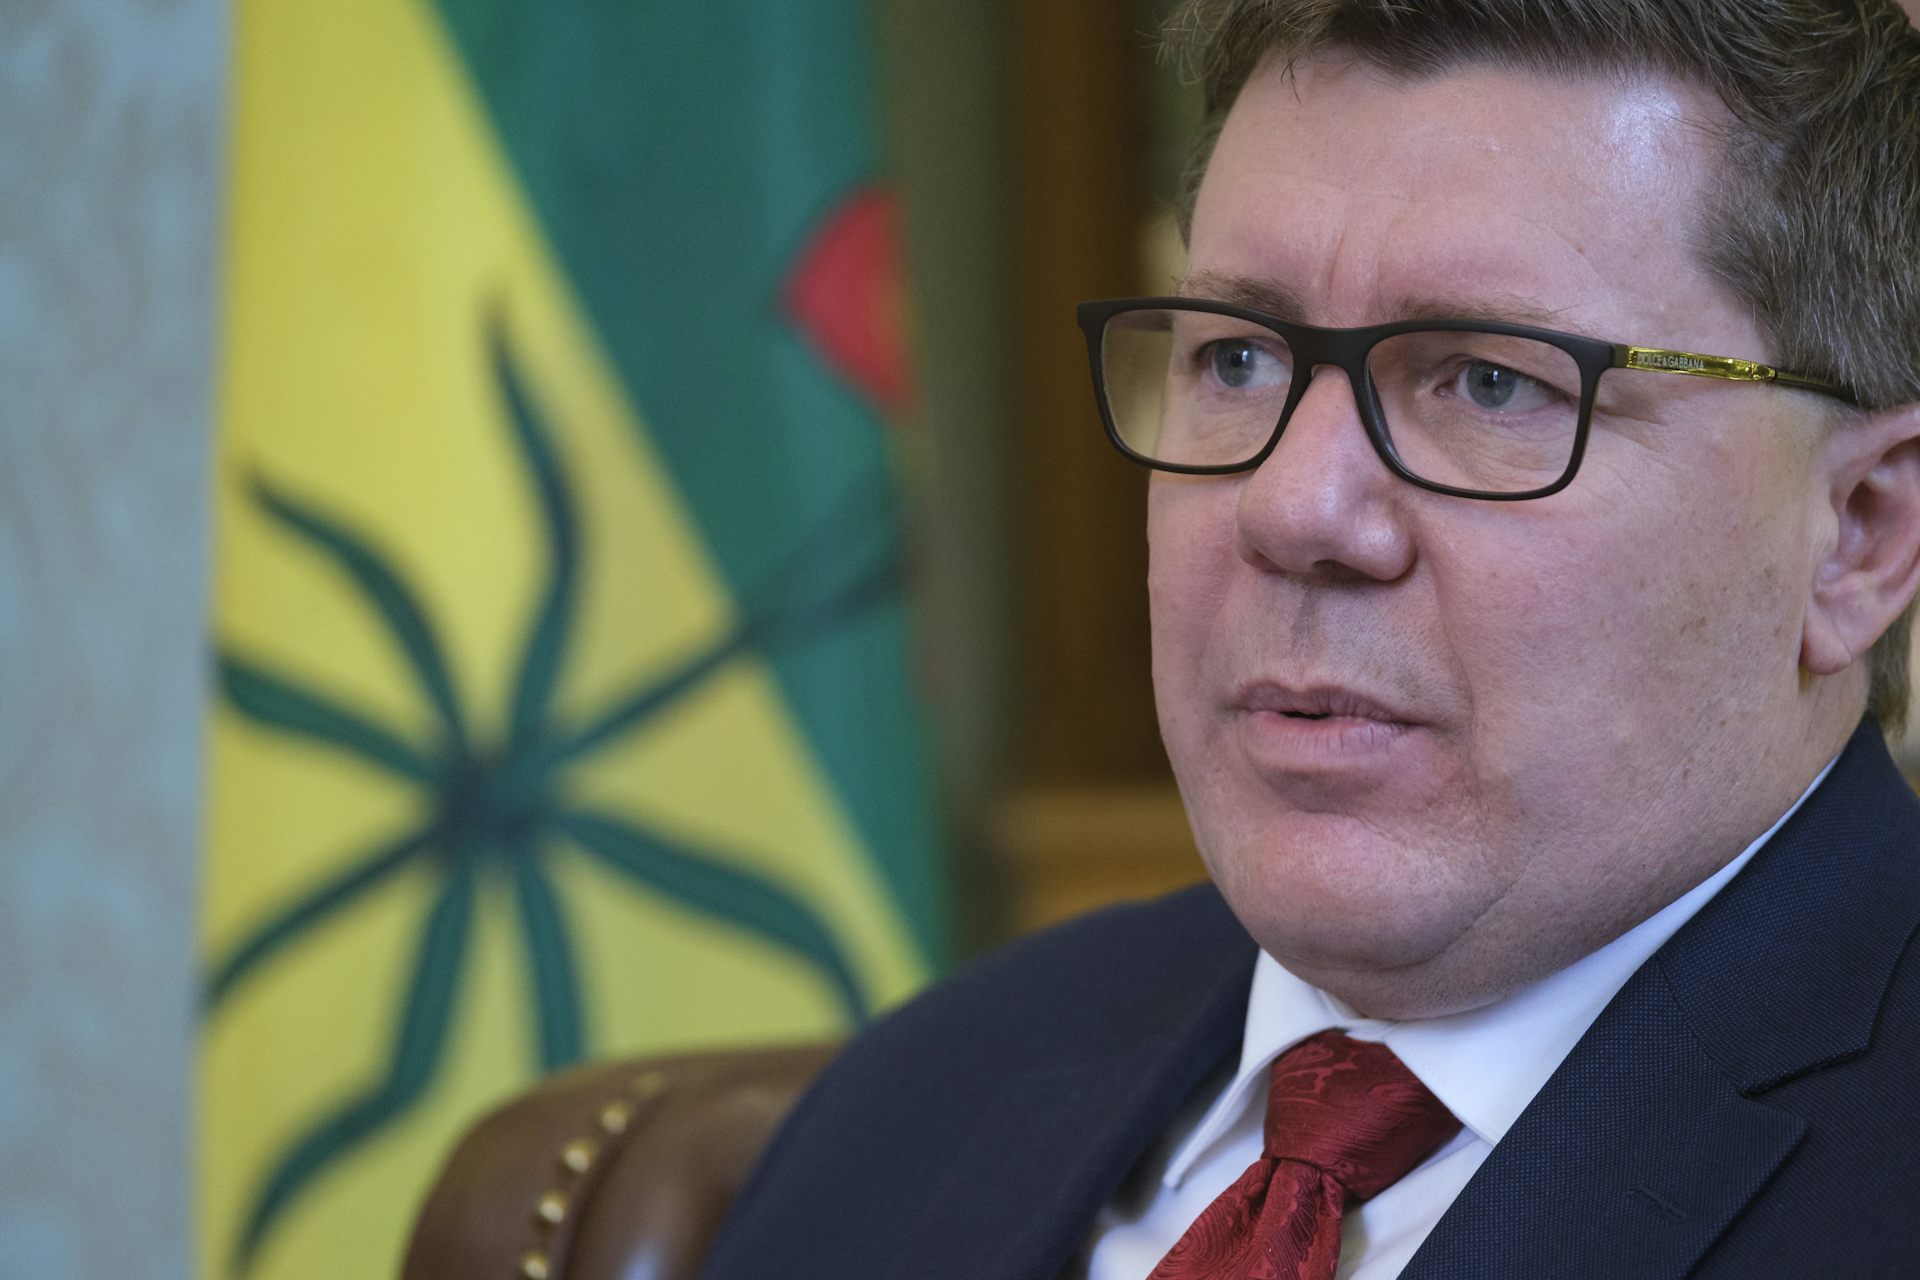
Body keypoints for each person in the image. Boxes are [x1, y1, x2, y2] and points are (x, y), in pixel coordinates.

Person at [703, 2, 1920, 1276]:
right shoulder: (918, 1099)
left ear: (1859, 534)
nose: (1293, 507)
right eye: (1235, 359)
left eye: (1491, 380)